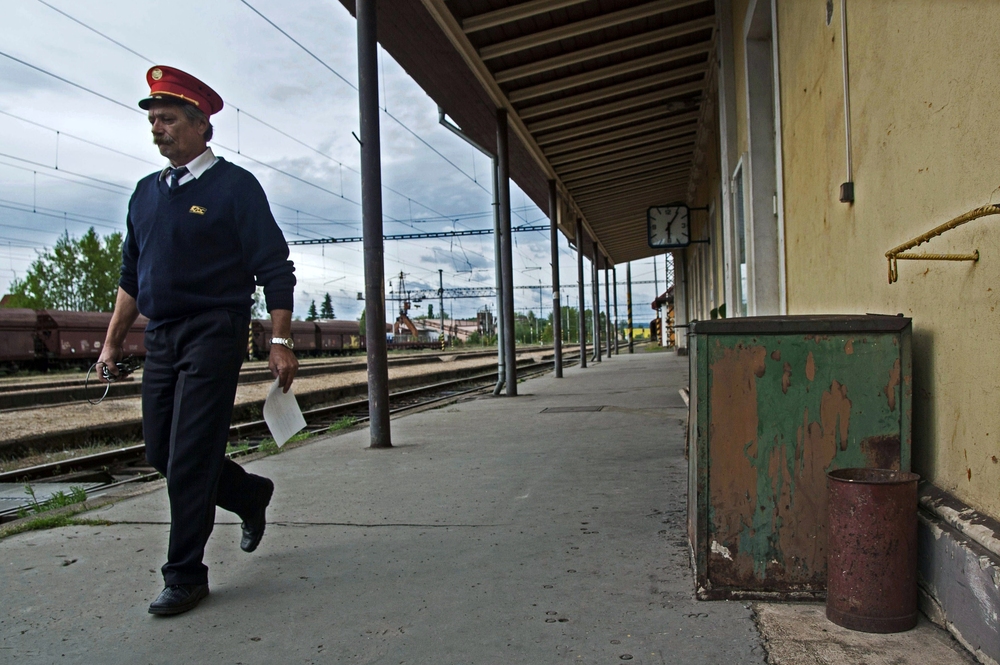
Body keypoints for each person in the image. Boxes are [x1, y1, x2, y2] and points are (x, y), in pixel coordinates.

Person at [97, 65, 299, 616]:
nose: (156, 129)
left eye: (166, 119)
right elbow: (130, 279)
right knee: (163, 451)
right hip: (161, 336)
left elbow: (275, 269)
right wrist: (112, 343)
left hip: (215, 330)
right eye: (152, 120)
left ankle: (185, 574)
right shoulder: (144, 195)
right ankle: (247, 494)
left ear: (200, 124)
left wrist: (279, 338)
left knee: (190, 455)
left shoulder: (236, 188)